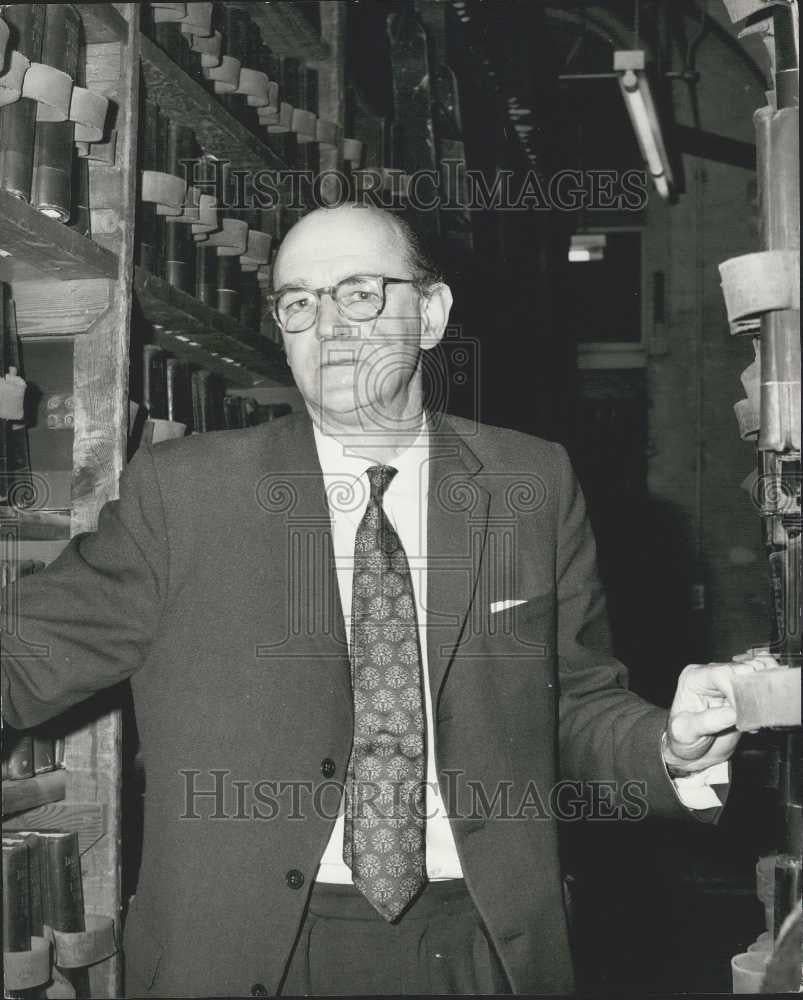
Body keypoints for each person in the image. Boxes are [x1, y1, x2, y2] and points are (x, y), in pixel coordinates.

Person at [1, 204, 777, 997]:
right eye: (299, 300)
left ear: (431, 315)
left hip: (478, 942)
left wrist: (669, 747)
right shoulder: (188, 494)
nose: (328, 323)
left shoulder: (528, 484)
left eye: (361, 292)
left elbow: (571, 704)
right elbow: (23, 657)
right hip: (246, 953)